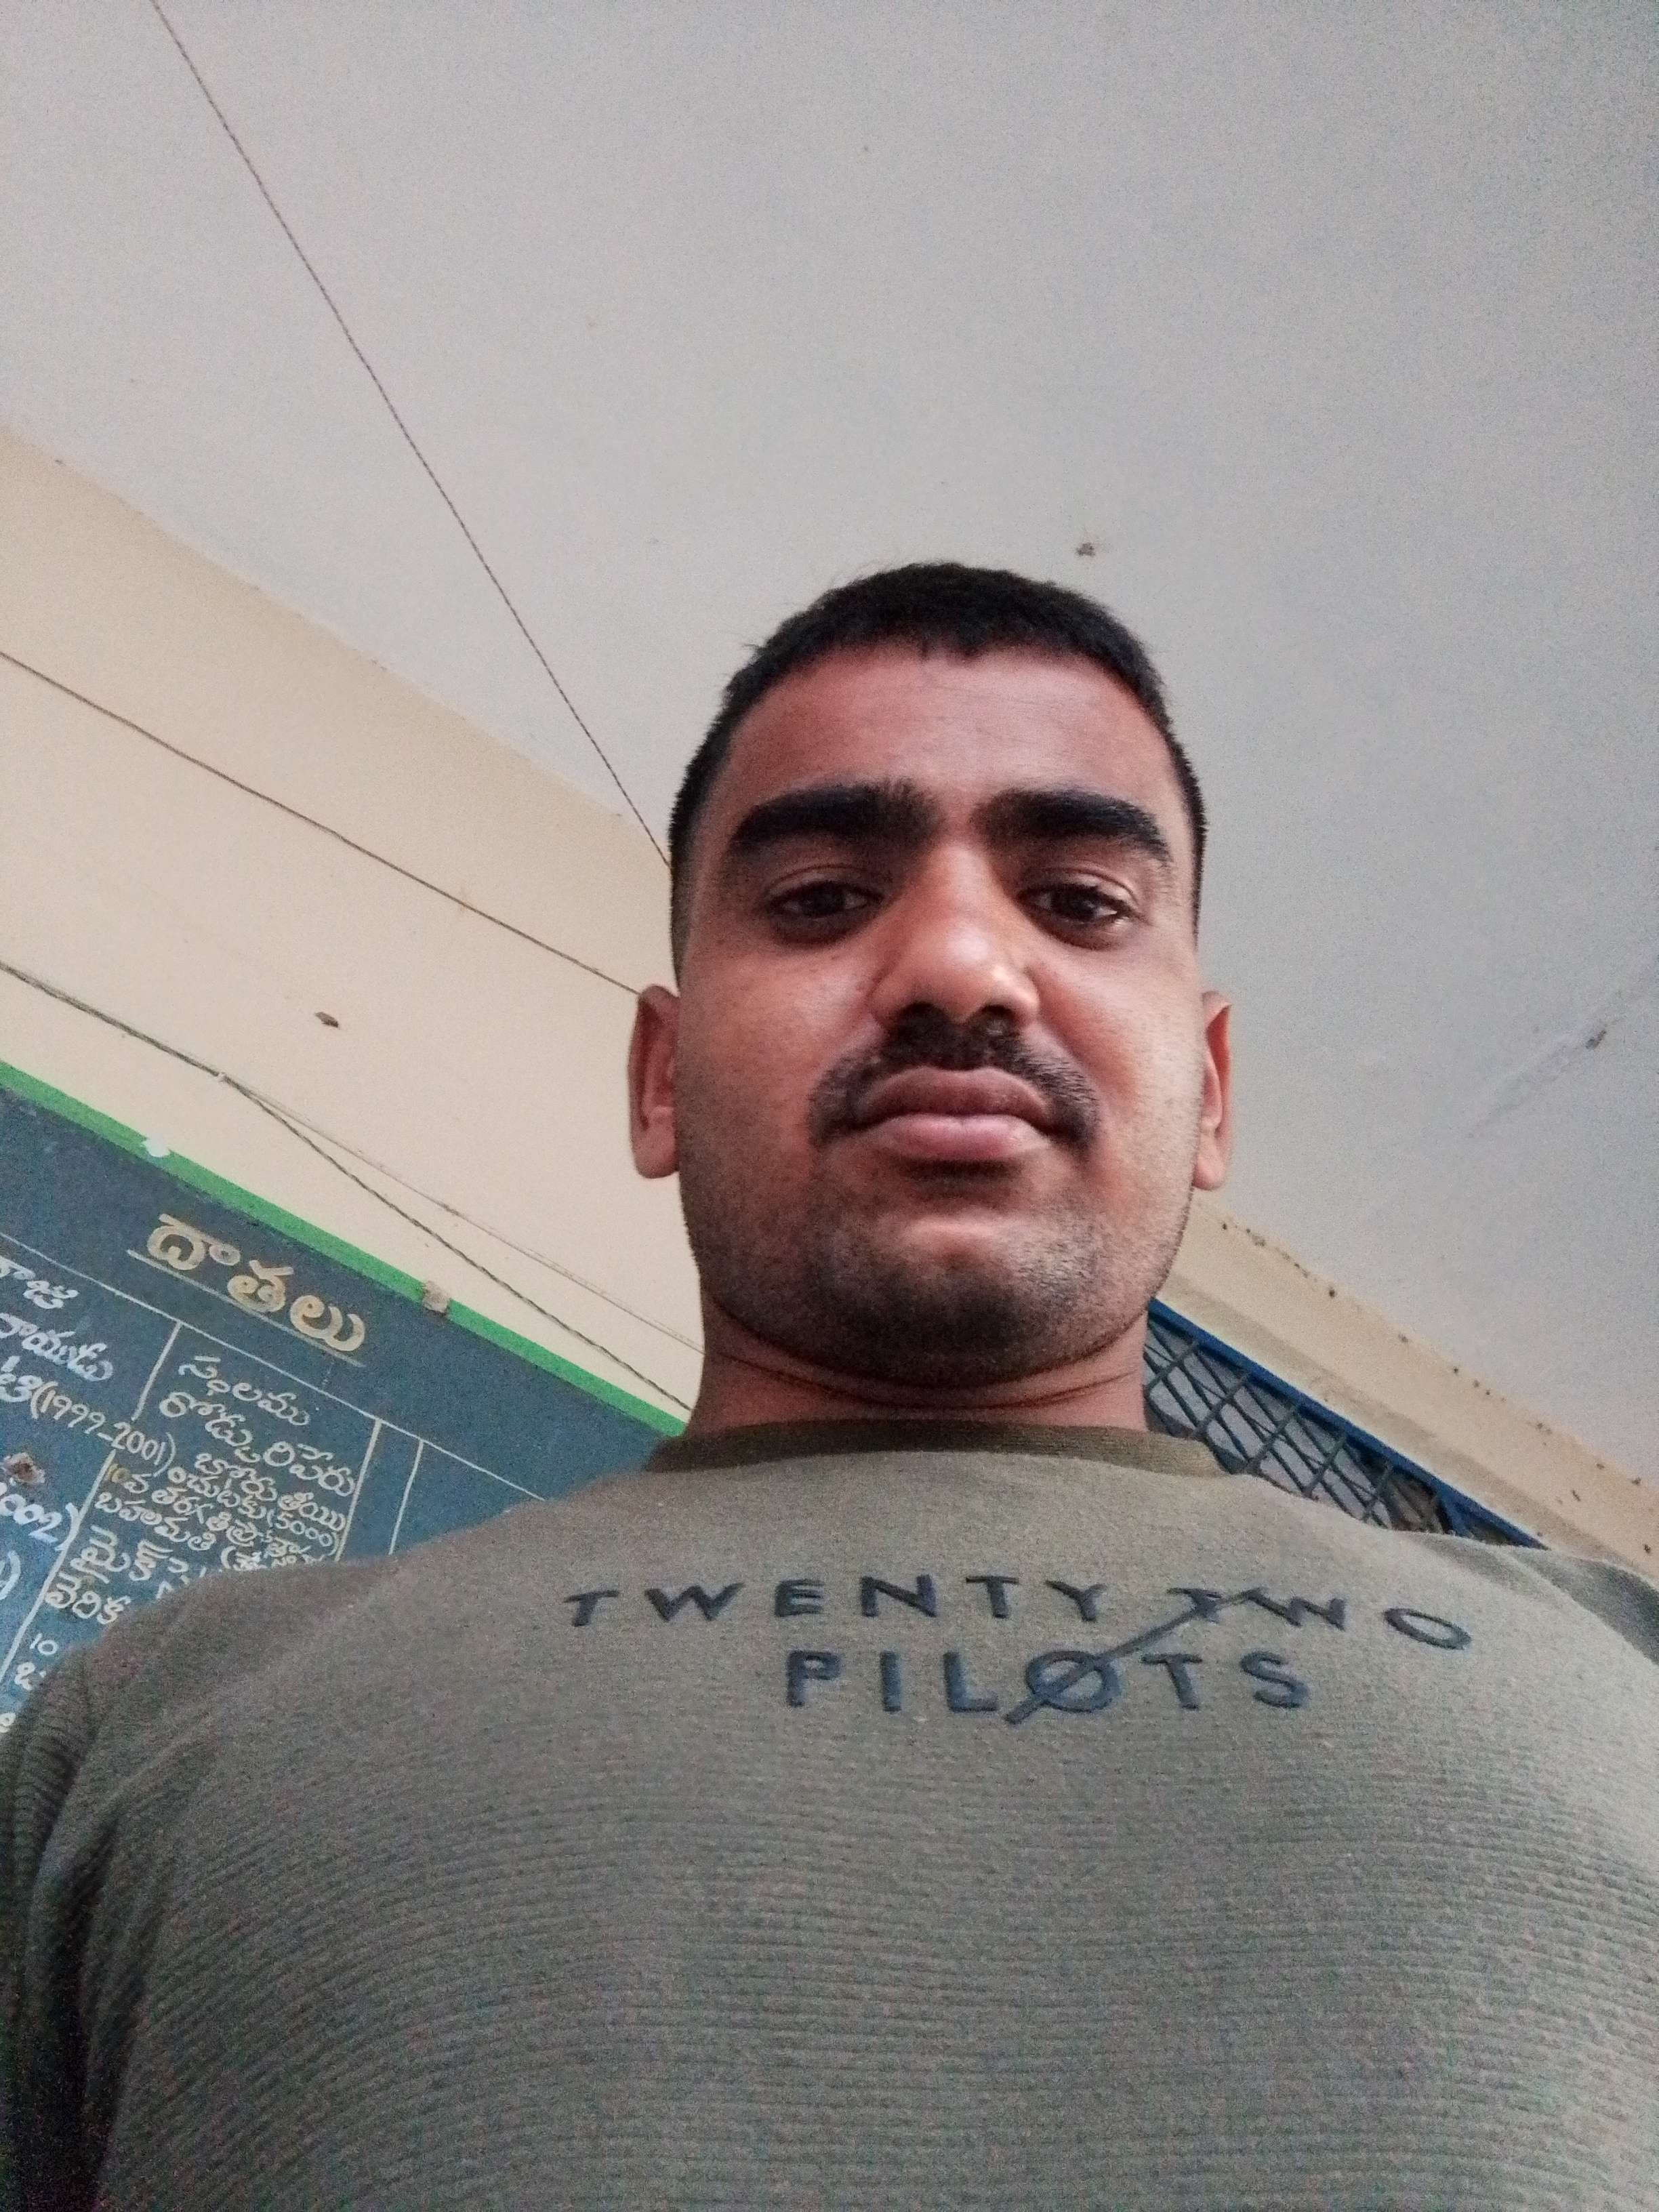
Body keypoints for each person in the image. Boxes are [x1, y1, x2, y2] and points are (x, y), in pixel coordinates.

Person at [2, 564, 1656, 2209]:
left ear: (1210, 1095)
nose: (960, 965)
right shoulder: (143, 1723)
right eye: (816, 899)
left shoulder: (1622, 1655)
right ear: (662, 1081)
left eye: (1082, 901)